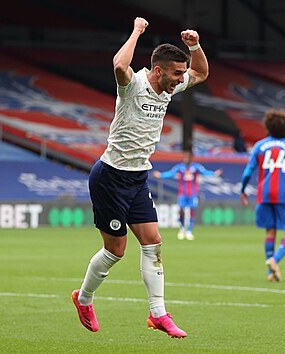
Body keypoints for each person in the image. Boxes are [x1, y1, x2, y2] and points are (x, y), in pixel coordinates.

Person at [71, 17, 208, 338]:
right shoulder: (134, 85)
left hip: (137, 178)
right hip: (109, 177)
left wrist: (195, 45)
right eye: (176, 73)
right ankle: (84, 298)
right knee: (115, 251)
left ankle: (158, 314)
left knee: (153, 243)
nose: (180, 78)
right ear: (158, 70)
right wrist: (136, 31)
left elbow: (201, 73)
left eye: (180, 73)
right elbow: (120, 64)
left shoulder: (169, 88)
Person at [240, 109, 285, 282]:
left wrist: (243, 189)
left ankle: (271, 272)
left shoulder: (260, 145)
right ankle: (274, 260)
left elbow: (248, 172)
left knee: (270, 230)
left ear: (268, 127)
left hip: (264, 193)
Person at [152, 150, 222, 240]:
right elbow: (170, 173)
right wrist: (161, 175)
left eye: (187, 158)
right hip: (182, 193)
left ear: (191, 159)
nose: (186, 159)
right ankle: (181, 229)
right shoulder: (180, 167)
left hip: (192, 193)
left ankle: (189, 231)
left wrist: (214, 174)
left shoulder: (196, 167)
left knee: (192, 211)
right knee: (181, 211)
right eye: (185, 157)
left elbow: (205, 172)